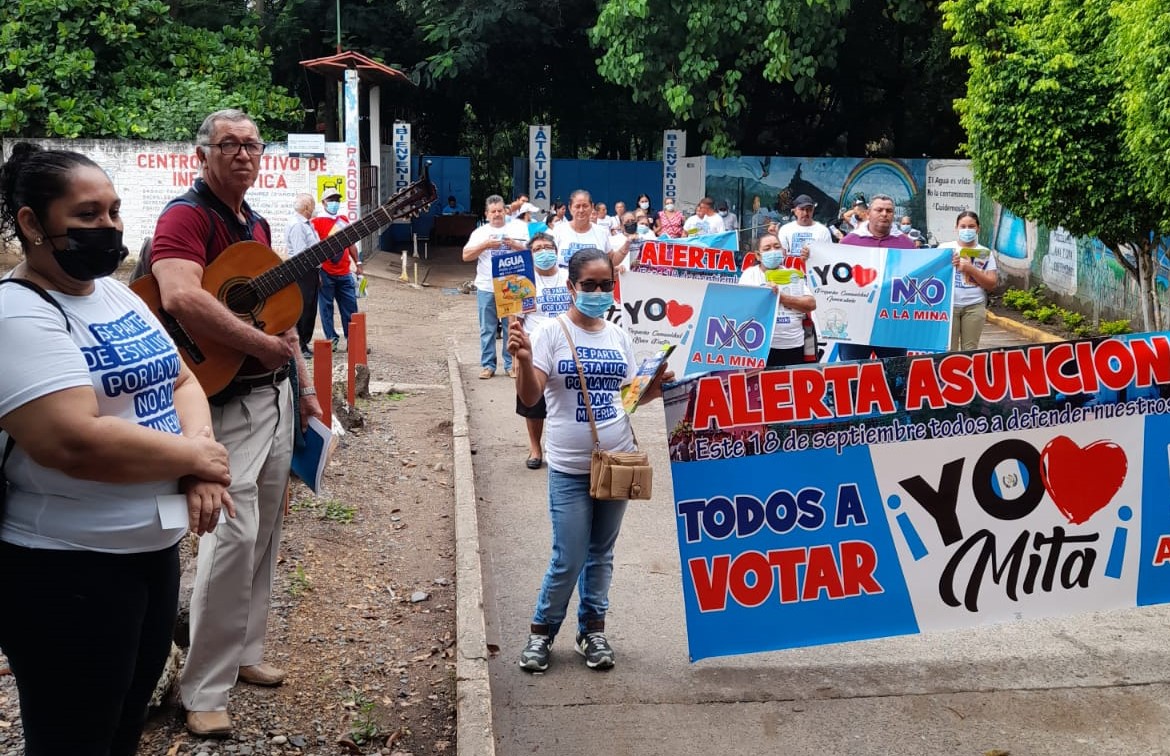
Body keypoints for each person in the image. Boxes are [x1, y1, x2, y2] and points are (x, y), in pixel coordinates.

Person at [0, 142, 234, 755]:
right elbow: (70, 439)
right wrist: (196, 459)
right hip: (66, 566)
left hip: (148, 555)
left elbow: (183, 379)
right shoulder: (17, 313)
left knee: (124, 724)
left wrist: (200, 462)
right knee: (75, 737)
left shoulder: (116, 293)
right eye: (86, 216)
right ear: (31, 223)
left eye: (113, 212)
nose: (108, 227)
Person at [149, 108, 323, 739]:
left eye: (253, 144)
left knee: (266, 531)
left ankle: (244, 651)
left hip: (272, 398)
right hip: (221, 401)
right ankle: (203, 688)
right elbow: (179, 296)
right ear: (204, 153)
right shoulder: (185, 216)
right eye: (230, 144)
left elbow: (277, 317)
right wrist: (256, 345)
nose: (245, 154)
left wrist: (301, 386)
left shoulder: (256, 221)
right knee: (230, 535)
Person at [508, 247, 671, 673]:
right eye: (590, 285)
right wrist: (524, 361)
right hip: (569, 467)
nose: (599, 292)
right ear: (571, 287)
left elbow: (627, 399)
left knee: (602, 551)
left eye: (606, 285)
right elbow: (530, 397)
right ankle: (541, 633)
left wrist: (655, 387)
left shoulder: (618, 335)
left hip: (617, 462)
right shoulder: (550, 333)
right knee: (569, 555)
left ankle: (592, 631)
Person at [835, 193, 917, 361]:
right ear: (868, 213)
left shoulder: (907, 244)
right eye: (879, 210)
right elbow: (833, 274)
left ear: (894, 214)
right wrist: (811, 256)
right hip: (856, 323)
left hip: (892, 324)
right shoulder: (849, 242)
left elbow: (919, 275)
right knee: (852, 373)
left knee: (895, 374)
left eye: (889, 210)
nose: (884, 214)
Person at [514, 232, 571, 469]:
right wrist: (517, 356)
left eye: (548, 247)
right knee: (533, 403)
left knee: (568, 399)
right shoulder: (523, 281)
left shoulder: (570, 277)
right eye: (537, 249)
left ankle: (565, 448)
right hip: (535, 348)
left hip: (567, 345)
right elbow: (515, 320)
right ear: (530, 254)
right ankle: (535, 449)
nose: (544, 252)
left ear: (556, 251)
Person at [463, 194, 530, 379]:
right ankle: (488, 365)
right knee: (488, 328)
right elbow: (466, 255)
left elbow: (533, 251)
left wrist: (515, 245)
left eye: (500, 210)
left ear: (505, 211)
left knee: (512, 327)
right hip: (486, 286)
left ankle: (511, 365)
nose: (497, 214)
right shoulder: (480, 233)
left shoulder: (519, 228)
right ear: (487, 214)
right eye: (493, 211)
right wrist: (485, 245)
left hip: (513, 286)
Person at [738, 233, 817, 367]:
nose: (773, 251)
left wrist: (781, 297)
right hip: (762, 346)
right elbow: (744, 306)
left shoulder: (792, 274)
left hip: (794, 344)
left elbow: (810, 304)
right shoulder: (750, 275)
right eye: (767, 249)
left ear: (783, 251)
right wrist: (767, 295)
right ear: (758, 255)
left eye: (776, 247)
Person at [312, 189, 362, 352]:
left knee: (350, 308)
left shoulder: (343, 220)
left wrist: (358, 263)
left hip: (344, 271)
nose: (335, 202)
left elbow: (351, 244)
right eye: (331, 199)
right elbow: (313, 248)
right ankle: (331, 339)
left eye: (337, 199)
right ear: (324, 202)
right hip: (326, 272)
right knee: (326, 309)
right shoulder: (316, 222)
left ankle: (352, 341)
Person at [943, 210, 998, 350]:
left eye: (971, 226)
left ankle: (966, 372)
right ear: (956, 228)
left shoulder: (985, 253)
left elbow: (991, 284)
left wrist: (971, 269)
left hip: (974, 306)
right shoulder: (945, 249)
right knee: (949, 349)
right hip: (949, 307)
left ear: (978, 228)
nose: (967, 230)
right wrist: (946, 262)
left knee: (970, 350)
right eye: (963, 226)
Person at [551, 190, 628, 268]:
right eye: (577, 206)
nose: (581, 210)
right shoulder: (559, 231)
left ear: (592, 207)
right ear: (570, 208)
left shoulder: (601, 232)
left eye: (585, 206)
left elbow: (611, 259)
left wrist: (626, 246)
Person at [285, 192, 319, 358]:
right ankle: (301, 344)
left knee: (310, 308)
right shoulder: (298, 225)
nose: (314, 208)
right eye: (313, 205)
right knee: (304, 308)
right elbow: (300, 254)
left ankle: (304, 342)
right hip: (302, 271)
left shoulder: (306, 224)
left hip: (310, 271)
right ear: (307, 207)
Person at [777, 194, 832, 261]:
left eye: (809, 210)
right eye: (802, 209)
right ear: (795, 211)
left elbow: (828, 256)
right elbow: (782, 255)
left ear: (813, 211)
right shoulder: (785, 229)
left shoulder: (823, 231)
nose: (805, 213)